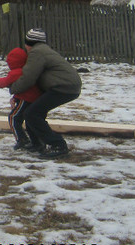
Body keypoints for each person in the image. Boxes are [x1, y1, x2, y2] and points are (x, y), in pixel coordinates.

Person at [10, 28, 82, 159]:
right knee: (34, 112)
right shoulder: (44, 50)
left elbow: (28, 78)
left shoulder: (37, 53)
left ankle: (58, 145)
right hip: (67, 86)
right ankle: (37, 143)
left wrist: (13, 88)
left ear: (29, 43)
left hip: (63, 87)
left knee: (32, 114)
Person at [0, 47, 42, 151]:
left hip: (25, 99)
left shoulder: (16, 73)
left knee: (14, 117)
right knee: (30, 120)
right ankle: (37, 141)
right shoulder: (27, 70)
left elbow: (5, 82)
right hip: (34, 98)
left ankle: (22, 139)